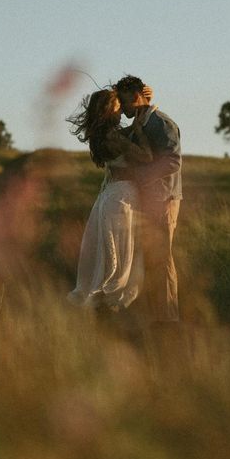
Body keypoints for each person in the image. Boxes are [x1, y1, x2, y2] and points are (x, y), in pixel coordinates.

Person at [66, 87, 153, 312]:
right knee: (121, 257)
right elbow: (145, 156)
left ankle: (104, 303)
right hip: (121, 197)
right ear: (108, 109)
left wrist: (142, 96)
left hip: (110, 195)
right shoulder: (113, 135)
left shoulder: (103, 134)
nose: (121, 110)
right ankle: (109, 304)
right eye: (117, 105)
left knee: (107, 254)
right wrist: (141, 130)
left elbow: (127, 133)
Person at [114, 75, 182, 326]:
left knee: (162, 258)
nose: (122, 110)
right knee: (148, 258)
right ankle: (153, 315)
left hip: (164, 200)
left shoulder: (162, 123)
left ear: (134, 97)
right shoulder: (140, 123)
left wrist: (138, 176)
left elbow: (173, 162)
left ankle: (169, 319)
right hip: (147, 200)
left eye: (123, 103)